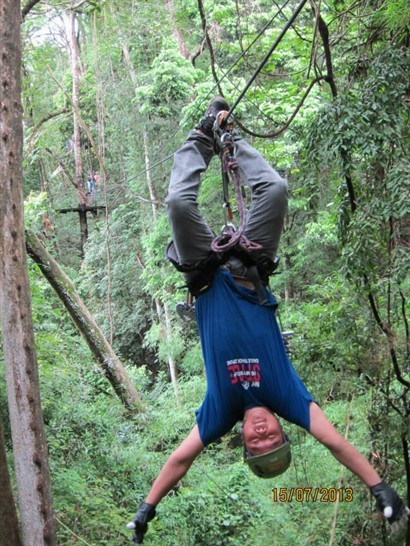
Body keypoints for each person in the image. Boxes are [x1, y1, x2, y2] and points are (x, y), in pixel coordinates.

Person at [128, 97, 409, 543]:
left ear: (241, 439)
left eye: (255, 443)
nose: (261, 435)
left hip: (203, 272)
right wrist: (379, 486)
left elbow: (181, 460)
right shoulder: (288, 396)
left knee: (179, 204)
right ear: (282, 430)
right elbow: (335, 443)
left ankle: (202, 136)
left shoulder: (220, 413)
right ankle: (229, 139)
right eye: (271, 439)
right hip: (248, 268)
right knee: (275, 189)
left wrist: (148, 507)